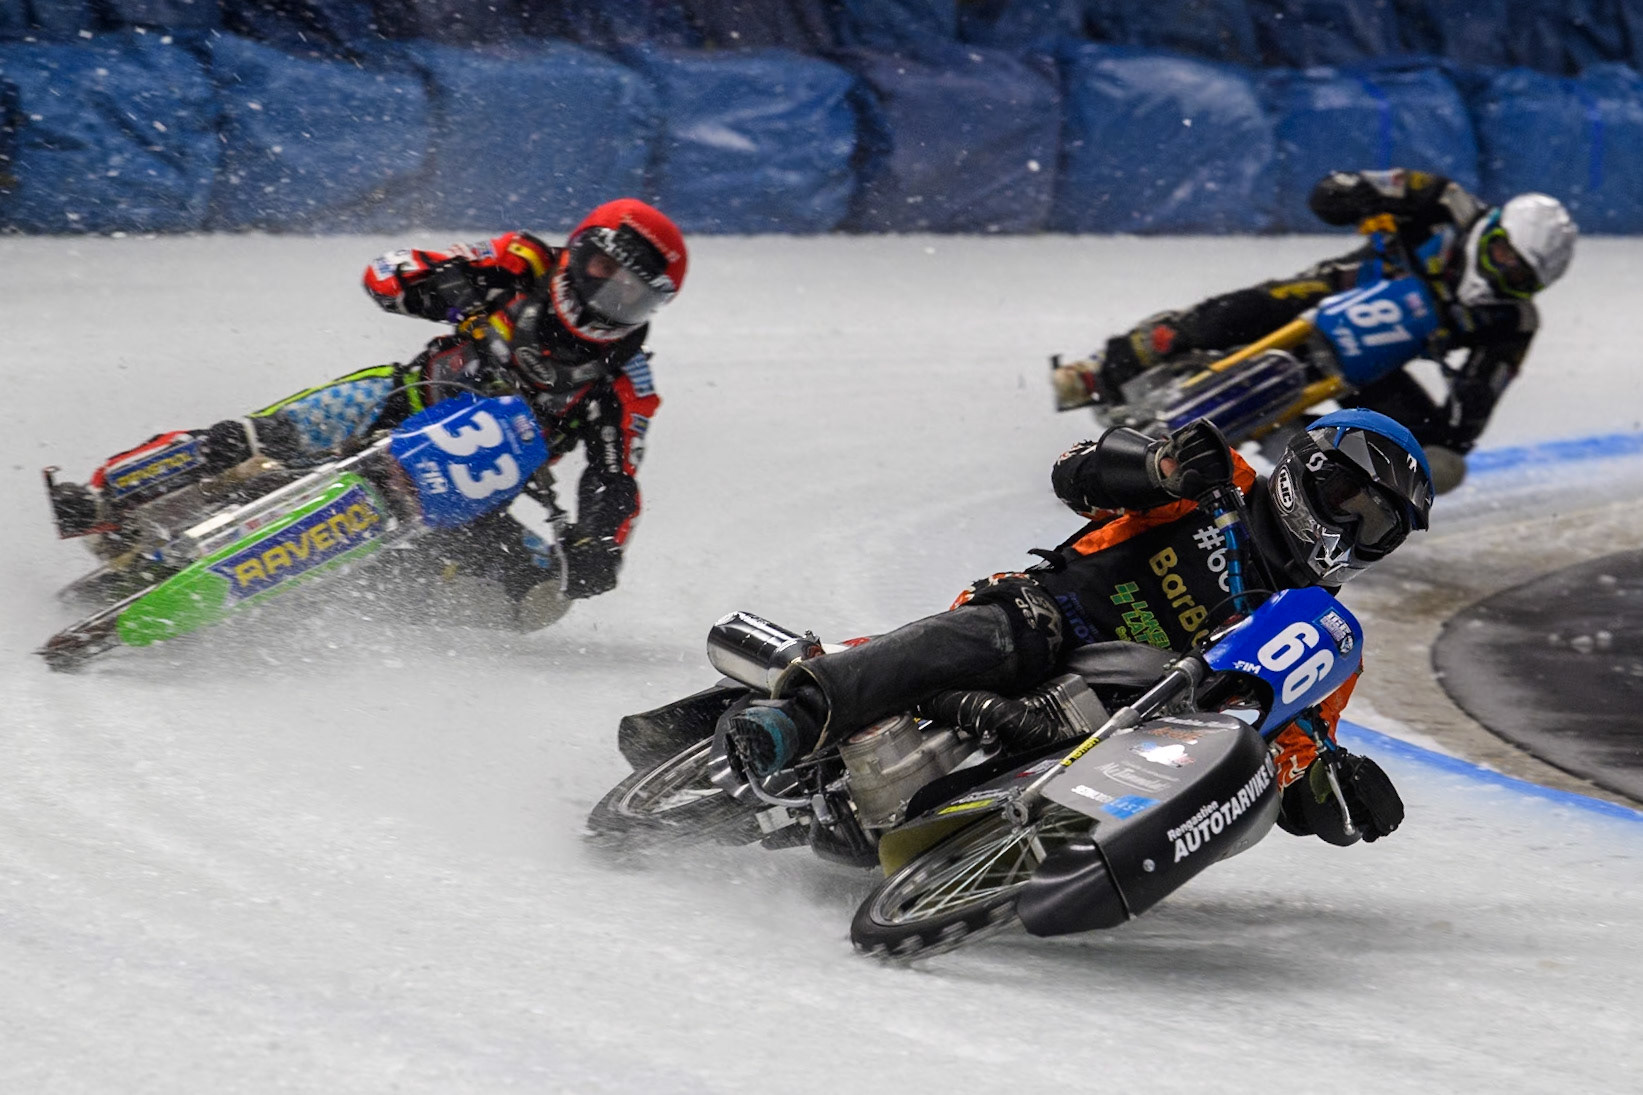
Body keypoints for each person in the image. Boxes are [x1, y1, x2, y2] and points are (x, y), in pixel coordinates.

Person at [729, 409, 1431, 845]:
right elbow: (1074, 473)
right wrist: (1156, 468)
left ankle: (1012, 845)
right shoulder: (1226, 481)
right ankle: (796, 716)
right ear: (1306, 470)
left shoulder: (1319, 632)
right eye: (1347, 499)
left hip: (1128, 723)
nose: (1349, 528)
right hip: (1050, 620)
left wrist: (1334, 799)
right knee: (1016, 623)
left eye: (1375, 526)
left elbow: (1278, 756)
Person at [46, 198, 687, 628]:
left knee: (539, 604)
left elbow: (616, 476)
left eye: (629, 291)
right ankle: (107, 500)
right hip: (397, 398)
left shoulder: (627, 380)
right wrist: (438, 285)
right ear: (577, 251)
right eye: (602, 271)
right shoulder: (520, 262)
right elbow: (388, 272)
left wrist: (600, 544)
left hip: (465, 482)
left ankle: (345, 599)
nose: (607, 294)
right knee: (249, 437)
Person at [1053, 170, 1577, 493]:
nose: (1503, 272)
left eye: (1520, 276)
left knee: (1432, 457)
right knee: (1222, 317)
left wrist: (1456, 420)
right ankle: (1103, 369)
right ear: (1495, 231)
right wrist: (1359, 197)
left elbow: (1473, 412)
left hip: (1377, 365)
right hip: (1331, 292)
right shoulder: (1443, 200)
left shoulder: (1514, 322)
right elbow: (1334, 190)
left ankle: (1311, 476)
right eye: (1504, 255)